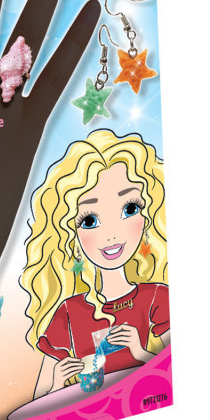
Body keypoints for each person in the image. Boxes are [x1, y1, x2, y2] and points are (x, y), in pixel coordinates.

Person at [22, 130, 169, 397]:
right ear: (70, 236)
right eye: (89, 221)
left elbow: (174, 375)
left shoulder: (157, 297)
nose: (111, 234)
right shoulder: (69, 311)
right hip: (89, 410)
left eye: (130, 209)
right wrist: (57, 384)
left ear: (148, 217)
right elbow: (37, 404)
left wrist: (141, 353)